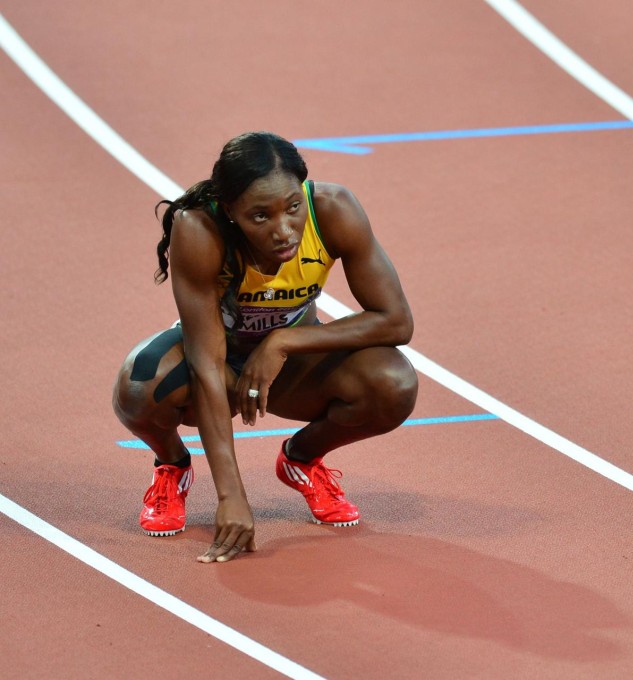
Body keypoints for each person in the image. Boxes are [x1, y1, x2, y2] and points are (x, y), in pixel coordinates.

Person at [113, 131, 418, 563]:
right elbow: (205, 362)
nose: (283, 230)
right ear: (230, 210)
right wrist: (231, 496)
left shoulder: (333, 210)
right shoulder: (199, 229)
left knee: (393, 382)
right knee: (139, 385)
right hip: (221, 362)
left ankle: (302, 459)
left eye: (293, 207)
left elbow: (395, 320)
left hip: (292, 367)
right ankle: (172, 466)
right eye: (260, 216)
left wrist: (283, 341)